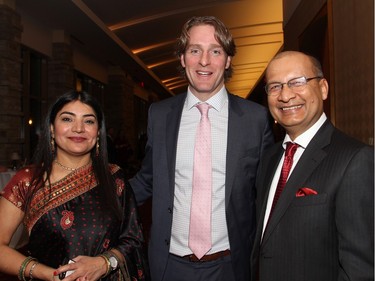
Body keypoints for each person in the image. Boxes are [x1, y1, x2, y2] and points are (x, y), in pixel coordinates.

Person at [128, 16, 274, 281]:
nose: (204, 61)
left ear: (228, 60)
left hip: (230, 266)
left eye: (215, 51)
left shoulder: (255, 119)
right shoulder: (160, 115)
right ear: (183, 58)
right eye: (195, 50)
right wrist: (97, 200)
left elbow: (267, 194)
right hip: (168, 267)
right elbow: (147, 180)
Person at [251, 51, 374, 281]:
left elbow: (360, 269)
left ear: (323, 88)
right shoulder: (269, 158)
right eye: (275, 86)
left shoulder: (355, 160)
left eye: (297, 82)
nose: (286, 96)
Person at [0, 91, 149, 281]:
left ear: (98, 131)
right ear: (52, 129)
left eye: (88, 121)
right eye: (67, 119)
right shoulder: (28, 181)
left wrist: (105, 263)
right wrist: (50, 274)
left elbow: (133, 238)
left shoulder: (114, 177)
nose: (78, 128)